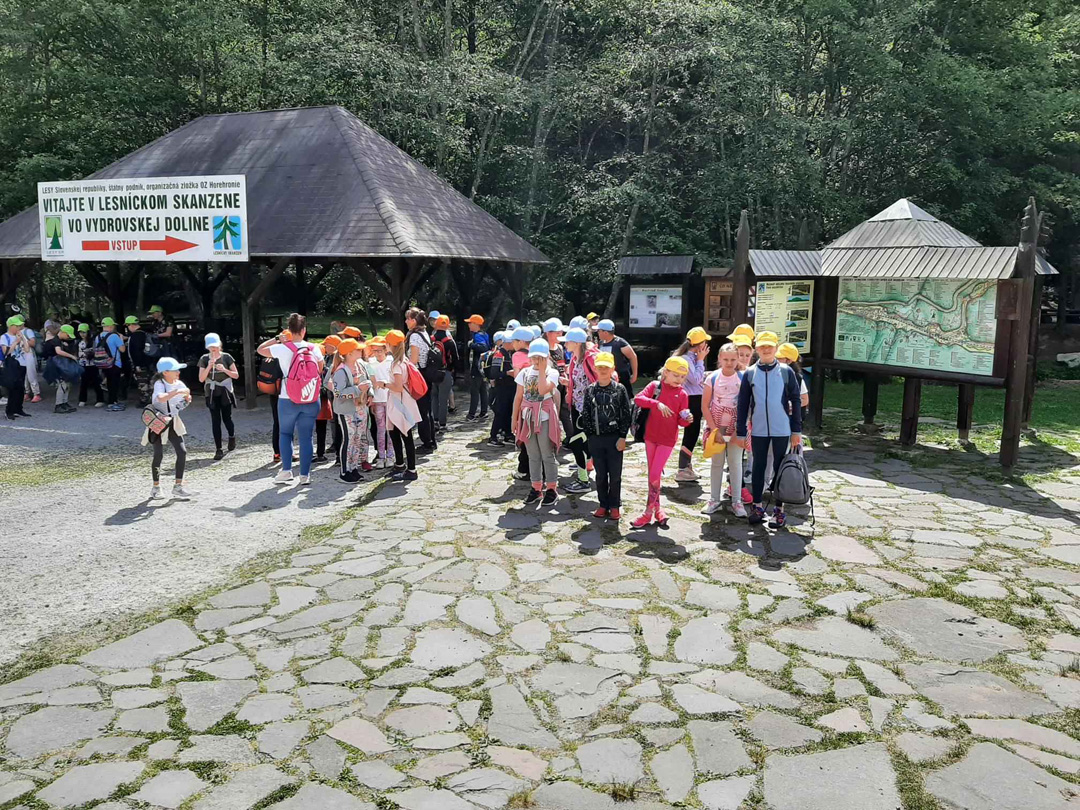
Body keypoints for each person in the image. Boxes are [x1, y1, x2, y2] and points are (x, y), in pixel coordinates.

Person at [735, 331, 802, 528]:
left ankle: (779, 509)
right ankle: (757, 507)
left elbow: (796, 400)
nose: (766, 349)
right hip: (758, 429)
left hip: (782, 429)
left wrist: (796, 430)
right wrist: (741, 431)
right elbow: (743, 404)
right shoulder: (750, 373)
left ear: (776, 348)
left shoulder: (786, 371)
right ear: (756, 348)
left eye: (770, 346)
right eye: (762, 346)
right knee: (758, 466)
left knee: (780, 468)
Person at [257, 313, 325, 485]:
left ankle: (286, 470)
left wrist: (277, 339)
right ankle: (305, 475)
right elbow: (320, 369)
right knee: (306, 437)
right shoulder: (314, 348)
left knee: (285, 433)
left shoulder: (282, 348)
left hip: (288, 397)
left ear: (289, 329)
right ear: (304, 330)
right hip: (310, 397)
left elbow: (260, 349)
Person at [632, 356, 693, 529]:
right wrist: (656, 404)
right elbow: (638, 399)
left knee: (654, 474)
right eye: (676, 375)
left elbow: (681, 421)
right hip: (650, 437)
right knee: (654, 475)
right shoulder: (654, 386)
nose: (679, 380)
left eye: (683, 377)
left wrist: (687, 419)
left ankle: (647, 513)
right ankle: (658, 509)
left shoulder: (682, 394)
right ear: (665, 372)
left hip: (667, 440)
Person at [582, 352, 632, 520]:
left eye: (606, 367)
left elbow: (626, 414)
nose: (603, 370)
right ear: (595, 369)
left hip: (615, 439)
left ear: (613, 369)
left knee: (615, 475)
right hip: (596, 439)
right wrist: (590, 436)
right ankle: (603, 504)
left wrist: (623, 436)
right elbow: (586, 413)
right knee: (601, 475)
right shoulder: (590, 390)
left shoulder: (619, 389)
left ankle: (615, 505)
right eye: (600, 367)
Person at [513, 338, 561, 507]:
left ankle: (552, 488)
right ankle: (536, 487)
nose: (536, 360)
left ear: (546, 356)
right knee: (532, 454)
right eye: (533, 357)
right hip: (528, 418)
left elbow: (542, 390)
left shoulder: (552, 373)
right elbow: (518, 396)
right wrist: (514, 419)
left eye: (539, 357)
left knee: (547, 454)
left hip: (545, 417)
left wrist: (542, 370)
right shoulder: (524, 373)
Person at [701, 343, 745, 516]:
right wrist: (715, 430)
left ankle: (737, 501)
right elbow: (705, 406)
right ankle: (714, 499)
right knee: (717, 463)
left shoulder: (743, 378)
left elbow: (747, 405)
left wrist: (738, 430)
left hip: (736, 428)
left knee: (735, 463)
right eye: (725, 359)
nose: (729, 363)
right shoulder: (712, 378)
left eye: (733, 359)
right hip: (717, 427)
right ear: (719, 358)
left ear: (738, 359)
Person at [145, 357, 194, 501]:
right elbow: (160, 398)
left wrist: (187, 399)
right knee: (158, 454)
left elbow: (184, 399)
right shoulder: (159, 384)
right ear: (165, 372)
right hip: (158, 422)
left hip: (172, 420)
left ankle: (178, 486)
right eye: (175, 370)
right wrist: (177, 392)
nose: (178, 372)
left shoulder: (179, 383)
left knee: (182, 451)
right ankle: (156, 487)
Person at [673, 327, 711, 482]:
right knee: (691, 433)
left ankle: (686, 466)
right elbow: (695, 379)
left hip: (696, 397)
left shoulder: (693, 357)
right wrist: (701, 360)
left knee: (693, 433)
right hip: (691, 399)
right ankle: (682, 468)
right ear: (699, 344)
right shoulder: (686, 359)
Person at [563, 326, 598, 494]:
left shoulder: (590, 358)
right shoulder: (575, 358)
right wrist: (568, 385)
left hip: (589, 409)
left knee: (576, 442)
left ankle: (583, 480)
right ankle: (585, 467)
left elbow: (601, 379)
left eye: (567, 341)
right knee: (582, 441)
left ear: (576, 343)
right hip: (577, 407)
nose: (565, 344)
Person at [332, 337, 371, 482]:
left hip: (361, 408)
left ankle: (353, 468)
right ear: (349, 353)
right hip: (347, 411)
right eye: (357, 349)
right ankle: (344, 472)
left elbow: (367, 381)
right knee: (349, 440)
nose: (361, 351)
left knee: (357, 439)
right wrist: (358, 389)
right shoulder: (341, 371)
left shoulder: (360, 366)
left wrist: (369, 393)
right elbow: (338, 394)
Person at [384, 329, 421, 482]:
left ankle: (411, 469)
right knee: (395, 433)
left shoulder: (397, 365)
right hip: (400, 401)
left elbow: (398, 387)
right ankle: (400, 464)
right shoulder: (404, 361)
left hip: (400, 402)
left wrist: (384, 384)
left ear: (390, 345)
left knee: (405, 435)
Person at [198, 333, 239, 460]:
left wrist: (224, 370)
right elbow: (201, 379)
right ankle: (218, 449)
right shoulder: (204, 359)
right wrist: (209, 366)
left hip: (225, 391)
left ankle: (231, 436)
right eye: (211, 347)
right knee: (215, 420)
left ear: (219, 345)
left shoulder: (226, 357)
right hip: (211, 392)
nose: (213, 349)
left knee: (227, 418)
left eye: (215, 346)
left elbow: (236, 375)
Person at [405, 308, 438, 451]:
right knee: (427, 409)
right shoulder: (424, 333)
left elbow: (414, 359)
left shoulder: (414, 336)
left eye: (408, 319)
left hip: (418, 374)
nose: (406, 321)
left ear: (414, 320)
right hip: (427, 373)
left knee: (421, 410)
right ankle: (431, 439)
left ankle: (427, 441)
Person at [596, 319, 638, 405]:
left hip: (622, 376)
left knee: (625, 399)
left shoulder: (620, 343)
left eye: (599, 331)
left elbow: (633, 357)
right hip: (607, 375)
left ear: (605, 332)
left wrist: (634, 374)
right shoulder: (601, 343)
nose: (597, 333)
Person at [366, 336, 392, 468]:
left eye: (380, 350)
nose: (377, 353)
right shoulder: (370, 363)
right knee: (380, 429)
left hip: (390, 399)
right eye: (375, 350)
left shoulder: (391, 362)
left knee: (390, 429)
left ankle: (391, 455)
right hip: (377, 400)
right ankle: (381, 456)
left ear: (385, 350)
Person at [316, 334, 341, 463]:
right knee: (333, 421)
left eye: (326, 345)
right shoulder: (327, 357)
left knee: (337, 422)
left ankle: (338, 450)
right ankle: (335, 445)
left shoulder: (335, 360)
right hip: (329, 395)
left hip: (335, 396)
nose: (325, 347)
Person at [43, 324, 80, 413]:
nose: (68, 337)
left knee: (67, 384)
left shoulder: (62, 341)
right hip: (55, 366)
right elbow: (58, 351)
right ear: (62, 332)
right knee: (62, 384)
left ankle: (64, 402)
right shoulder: (55, 341)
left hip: (61, 365)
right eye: (68, 335)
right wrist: (71, 356)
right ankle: (58, 404)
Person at [487, 331, 516, 446]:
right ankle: (493, 437)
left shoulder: (510, 353)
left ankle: (508, 435)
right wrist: (507, 373)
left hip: (510, 387)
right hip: (502, 387)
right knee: (500, 411)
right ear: (507, 343)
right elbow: (494, 373)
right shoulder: (499, 354)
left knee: (508, 411)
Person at [1, 315, 32, 419]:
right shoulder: (4, 337)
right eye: (17, 326)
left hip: (22, 364)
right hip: (11, 365)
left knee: (21, 388)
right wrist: (15, 342)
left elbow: (27, 349)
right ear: (11, 326)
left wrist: (23, 338)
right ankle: (9, 411)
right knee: (12, 388)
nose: (19, 328)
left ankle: (18, 409)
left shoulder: (20, 335)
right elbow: (6, 352)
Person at [432, 315, 458, 430]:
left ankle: (435, 421)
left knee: (434, 397)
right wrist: (451, 370)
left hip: (432, 373)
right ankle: (442, 424)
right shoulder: (449, 341)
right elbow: (456, 359)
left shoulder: (431, 339)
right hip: (445, 372)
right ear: (447, 326)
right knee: (443, 399)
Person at [96, 317, 127, 411]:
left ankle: (110, 401)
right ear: (110, 326)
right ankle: (113, 402)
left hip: (103, 363)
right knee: (115, 383)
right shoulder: (114, 336)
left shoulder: (98, 337)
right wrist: (121, 339)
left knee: (109, 382)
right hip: (114, 363)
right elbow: (122, 349)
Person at [465, 314, 490, 421]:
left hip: (477, 368)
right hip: (483, 368)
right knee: (483, 390)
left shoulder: (477, 336)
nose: (468, 325)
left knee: (475, 391)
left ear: (476, 324)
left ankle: (471, 414)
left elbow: (483, 347)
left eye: (470, 323)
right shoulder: (484, 334)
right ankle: (484, 412)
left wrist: (471, 345)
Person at [125, 316, 151, 407]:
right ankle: (149, 398)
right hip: (148, 361)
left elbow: (137, 351)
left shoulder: (135, 336)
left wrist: (137, 364)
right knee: (148, 380)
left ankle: (145, 401)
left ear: (130, 325)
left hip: (140, 363)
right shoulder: (144, 333)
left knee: (142, 382)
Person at [76, 324, 104, 408]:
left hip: (93, 364)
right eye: (80, 332)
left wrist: (91, 353)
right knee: (83, 383)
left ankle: (100, 400)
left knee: (96, 382)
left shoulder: (93, 341)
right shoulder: (78, 342)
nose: (82, 334)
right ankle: (82, 399)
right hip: (83, 364)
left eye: (84, 332)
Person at [778, 343, 810, 409]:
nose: (776, 360)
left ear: (789, 361)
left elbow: (805, 400)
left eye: (779, 358)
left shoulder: (797, 378)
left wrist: (788, 406)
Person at [17, 319, 41, 403]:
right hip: (20, 355)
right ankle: (27, 392)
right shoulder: (15, 332)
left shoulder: (28, 331)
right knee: (24, 375)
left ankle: (36, 393)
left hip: (28, 354)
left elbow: (33, 343)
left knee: (31, 374)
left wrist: (23, 338)